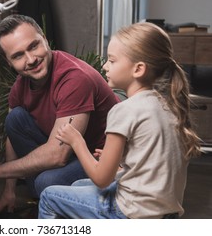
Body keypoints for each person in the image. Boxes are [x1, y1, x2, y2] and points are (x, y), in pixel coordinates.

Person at [38, 22, 202, 219]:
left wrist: (77, 141)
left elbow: (101, 179)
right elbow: (154, 161)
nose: (105, 66)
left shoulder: (124, 110)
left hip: (130, 213)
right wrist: (122, 160)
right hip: (165, 213)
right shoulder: (167, 105)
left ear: (138, 69)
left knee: (49, 197)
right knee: (77, 185)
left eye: (112, 61)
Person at [0, 14, 119, 215]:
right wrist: (9, 190)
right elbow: (12, 139)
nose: (31, 60)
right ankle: (48, 190)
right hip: (71, 150)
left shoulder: (74, 78)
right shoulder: (20, 87)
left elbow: (58, 155)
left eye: (33, 46)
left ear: (45, 40)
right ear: (9, 62)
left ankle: (55, 195)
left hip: (102, 159)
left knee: (46, 183)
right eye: (18, 56)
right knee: (15, 119)